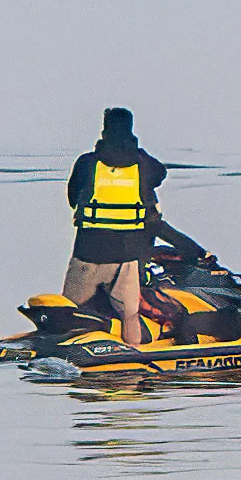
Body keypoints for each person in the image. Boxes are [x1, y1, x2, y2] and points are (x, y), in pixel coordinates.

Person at [63, 107, 167, 346]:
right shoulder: (142, 163)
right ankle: (132, 355)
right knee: (130, 315)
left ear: (104, 130)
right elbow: (161, 174)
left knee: (70, 313)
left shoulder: (86, 163)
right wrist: (136, 150)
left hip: (88, 252)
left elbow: (72, 199)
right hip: (126, 255)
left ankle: (67, 350)